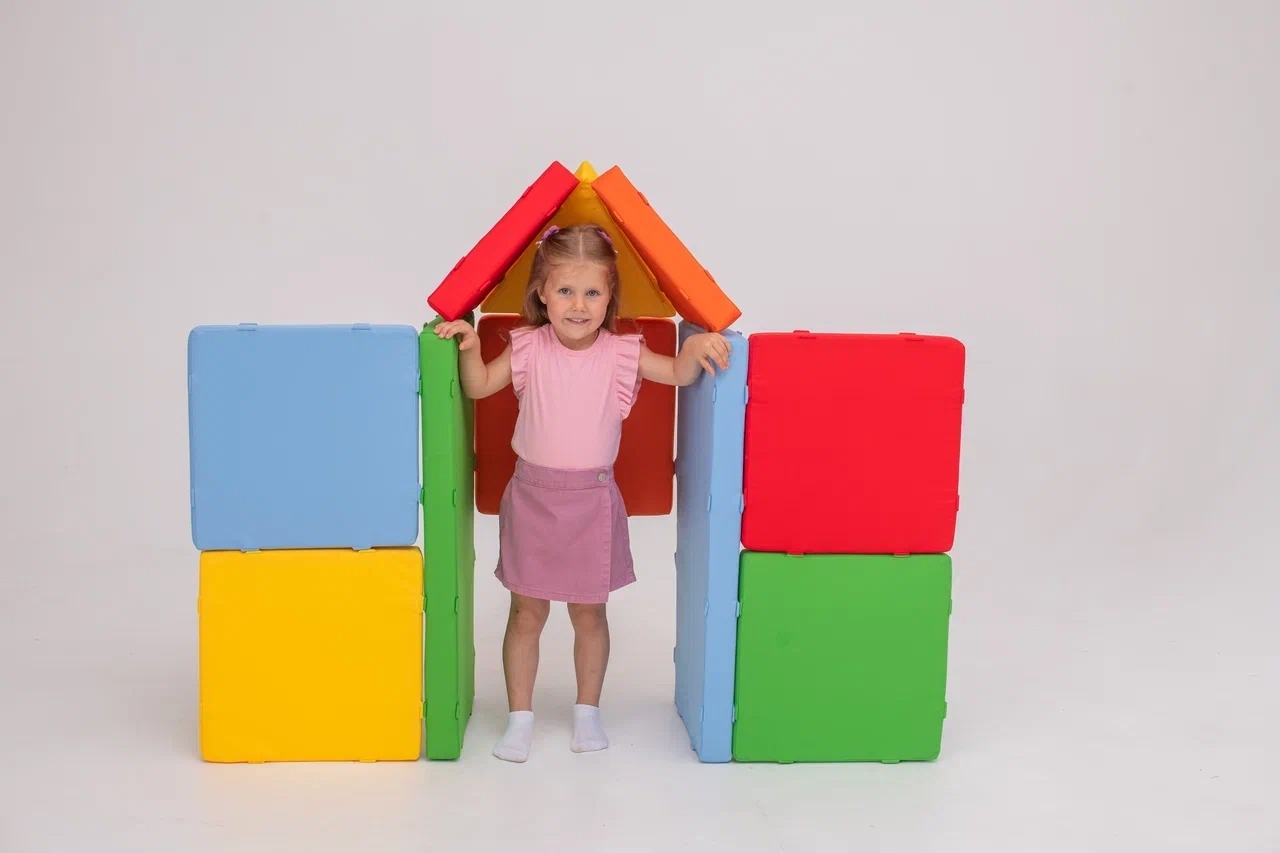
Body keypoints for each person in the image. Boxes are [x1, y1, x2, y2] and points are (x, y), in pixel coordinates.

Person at [435, 223, 731, 762]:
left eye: (592, 292)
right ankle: (519, 719)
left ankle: (587, 713)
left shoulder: (620, 353)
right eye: (565, 291)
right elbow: (478, 386)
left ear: (610, 296)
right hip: (533, 497)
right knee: (526, 614)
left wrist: (696, 346)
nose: (578, 305)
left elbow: (678, 373)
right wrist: (470, 347)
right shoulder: (528, 346)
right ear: (542, 292)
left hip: (592, 501)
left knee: (588, 615)